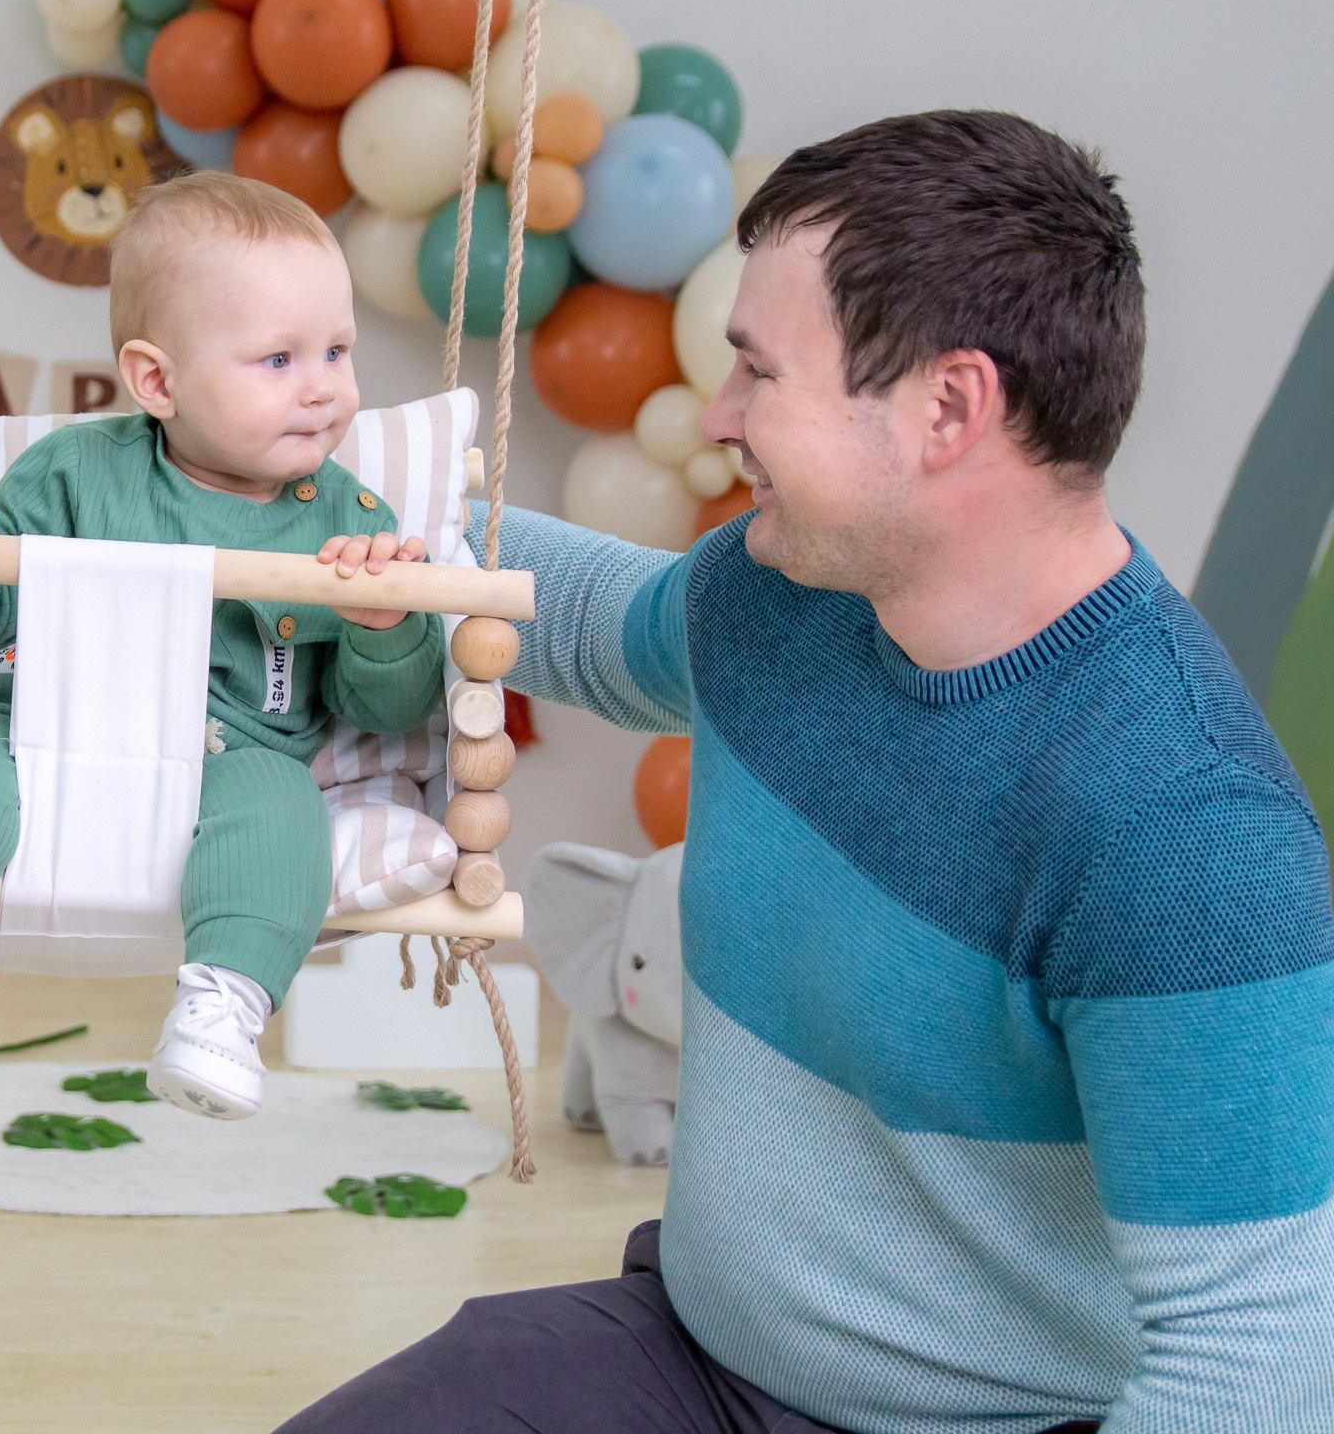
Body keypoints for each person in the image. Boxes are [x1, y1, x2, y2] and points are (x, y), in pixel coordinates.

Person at [280, 111, 1334, 1432]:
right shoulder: (791, 595)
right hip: (694, 1354)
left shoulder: (1185, 836)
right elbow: (602, 623)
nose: (719, 415)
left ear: (948, 406)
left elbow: (1259, 1363)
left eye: (758, 373)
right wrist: (321, 510)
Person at [0, 172, 445, 1219]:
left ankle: (223, 1003)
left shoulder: (346, 516)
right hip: (31, 717)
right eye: (280, 359)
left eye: (337, 349)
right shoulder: (68, 475)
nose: (324, 385)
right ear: (156, 379)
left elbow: (387, 709)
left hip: (230, 754)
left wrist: (386, 619)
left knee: (287, 821)